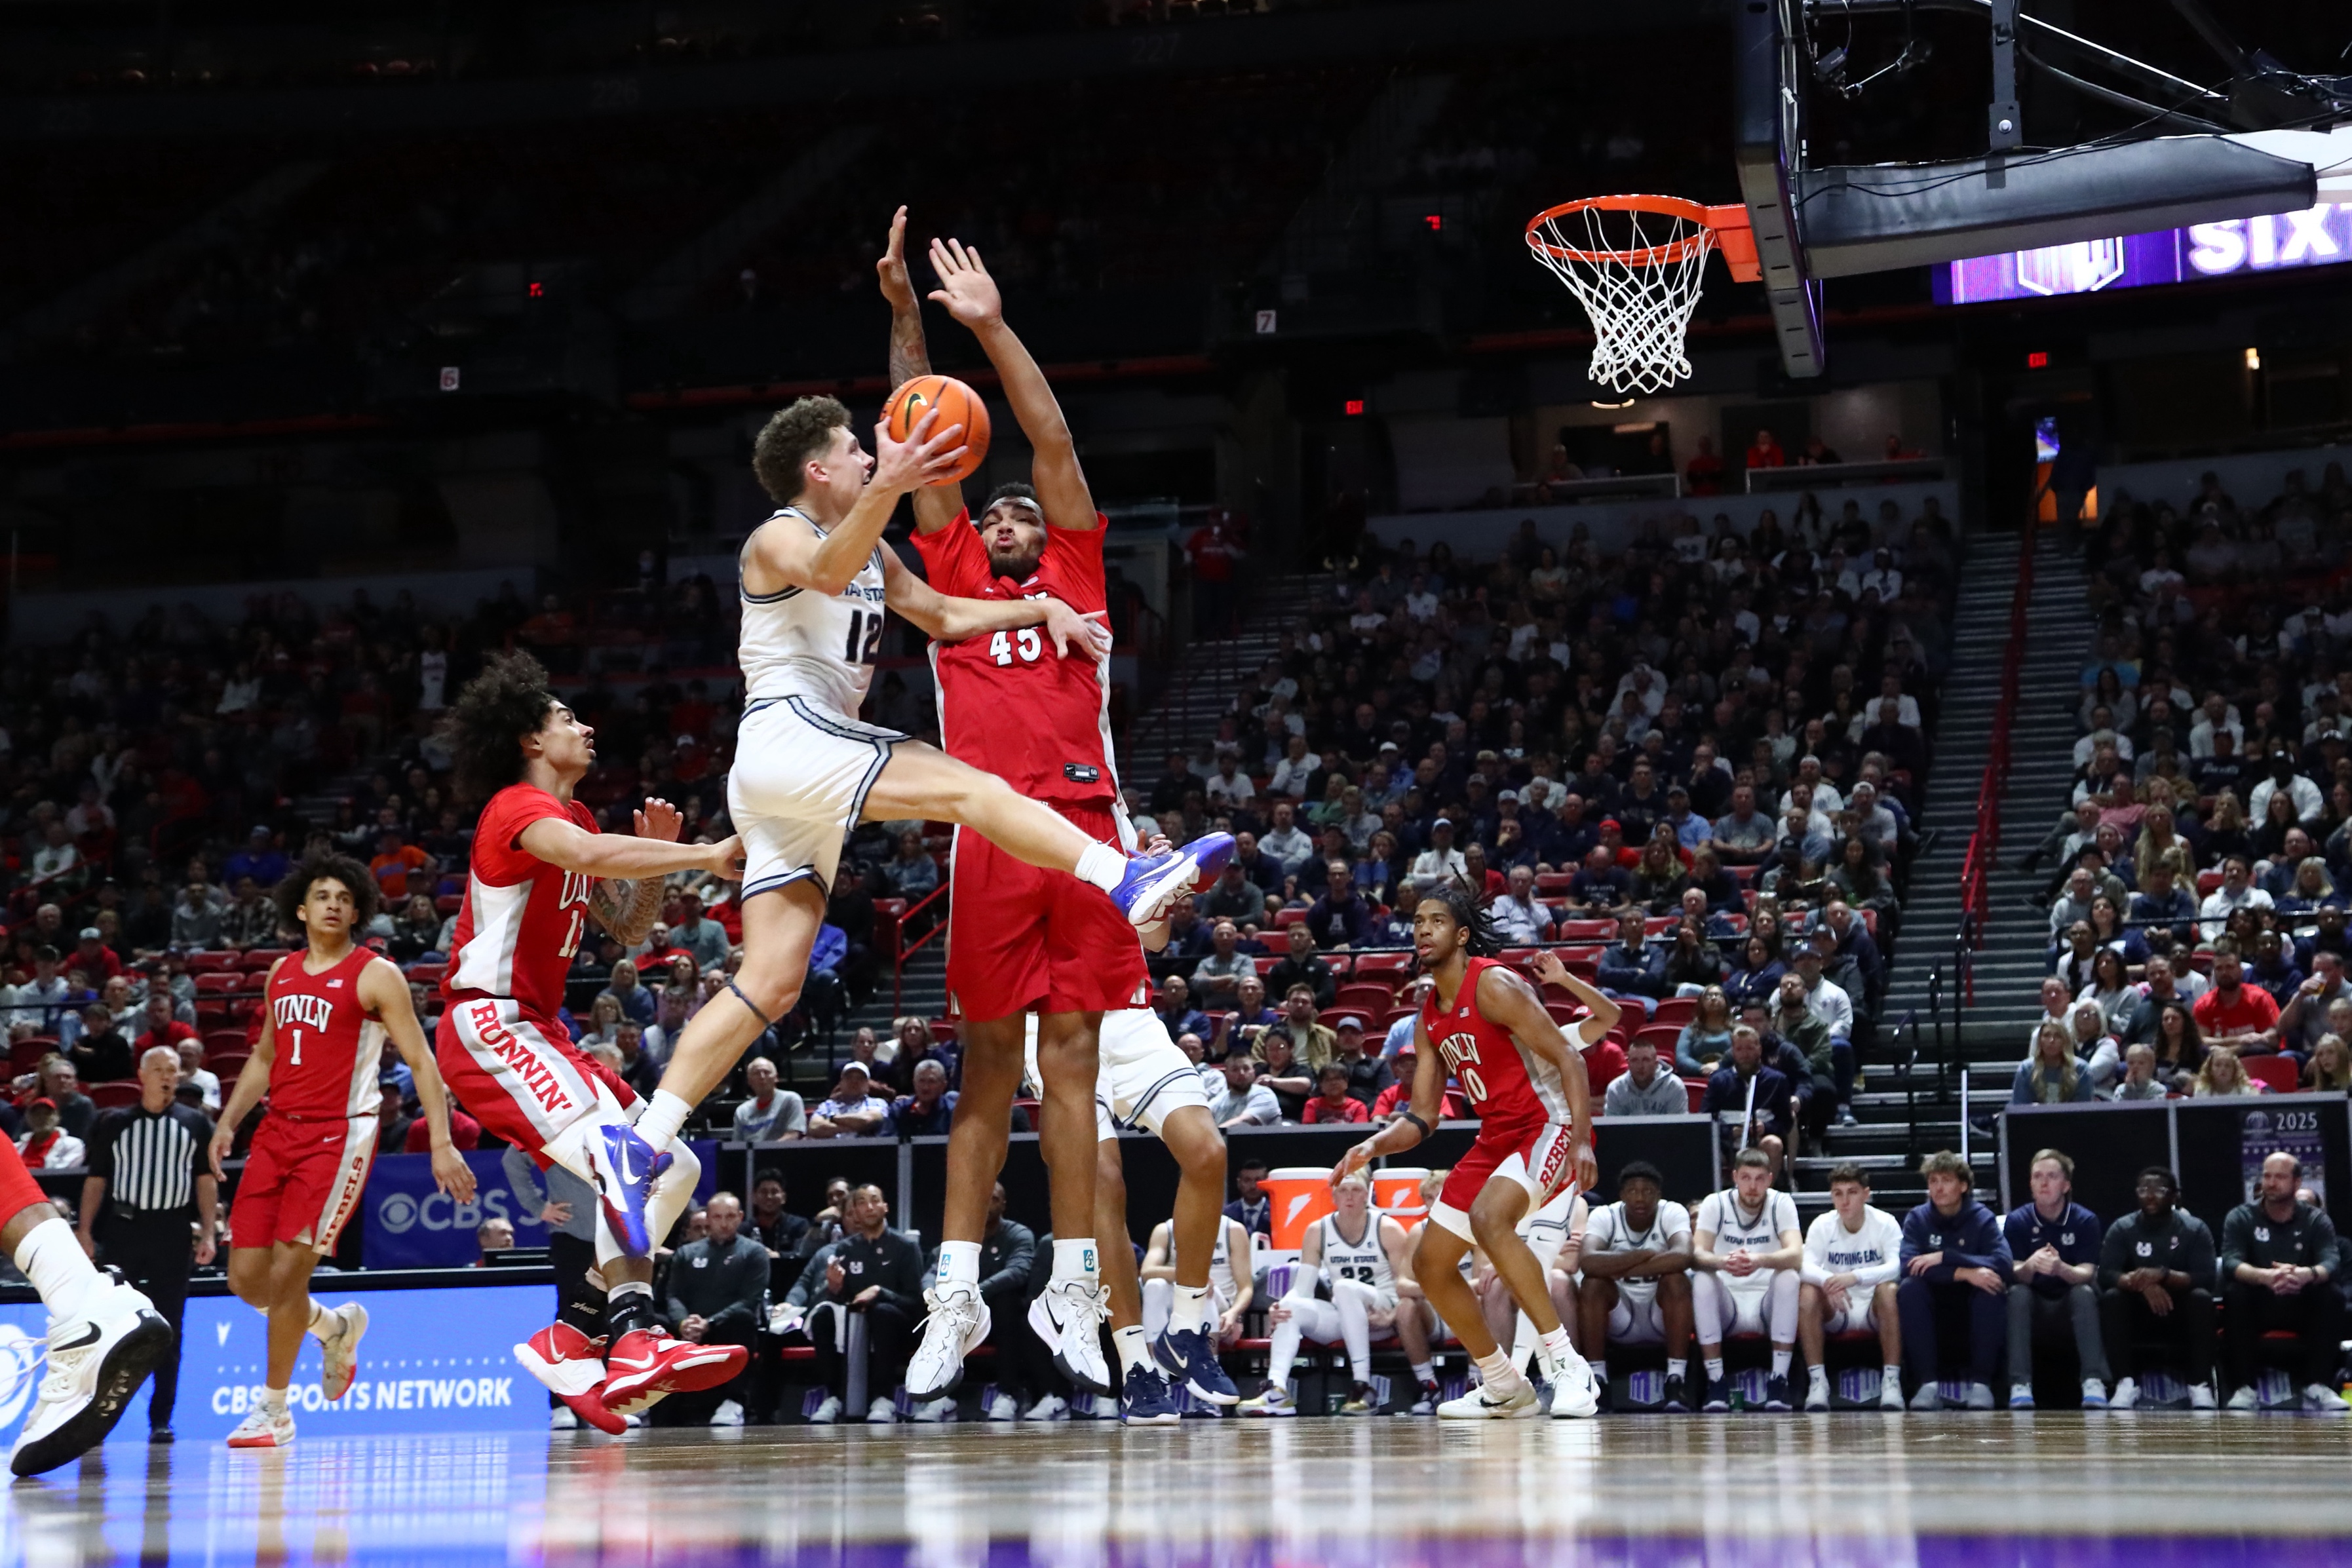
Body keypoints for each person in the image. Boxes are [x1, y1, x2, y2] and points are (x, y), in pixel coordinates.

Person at [858, 219, 1239, 1416]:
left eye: (1025, 512)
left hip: (1083, 840)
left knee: (1070, 1075)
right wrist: (911, 325)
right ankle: (955, 1290)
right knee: (985, 1075)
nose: (1012, 517)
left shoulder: (1078, 581)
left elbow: (1052, 434)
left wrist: (988, 322)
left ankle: (1076, 1284)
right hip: (987, 837)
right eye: (1000, 512)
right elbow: (919, 429)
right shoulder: (954, 570)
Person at [428, 658, 748, 1431]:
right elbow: (586, 858)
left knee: (674, 1163)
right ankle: (636, 1336)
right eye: (568, 717)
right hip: (490, 1023)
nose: (586, 726)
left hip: (541, 1030)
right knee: (620, 1156)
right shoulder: (518, 807)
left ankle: (571, 1331)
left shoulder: (582, 822)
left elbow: (628, 931)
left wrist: (655, 870)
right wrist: (702, 856)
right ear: (531, 737)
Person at [205, 854, 474, 1449]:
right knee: (246, 1281)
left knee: (286, 1274)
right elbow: (265, 1058)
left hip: (338, 1135)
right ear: (300, 910)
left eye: (343, 897)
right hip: (277, 1131)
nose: (332, 904)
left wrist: (441, 1139)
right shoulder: (281, 972)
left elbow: (421, 1061)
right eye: (321, 895)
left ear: (357, 910)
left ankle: (274, 1410)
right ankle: (336, 1326)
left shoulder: (376, 974)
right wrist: (229, 1120)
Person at [1329, 888, 1609, 1419]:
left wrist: (1578, 1137)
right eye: (1416, 921)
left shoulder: (1495, 983)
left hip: (1547, 1123)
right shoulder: (1427, 1018)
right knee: (1430, 1263)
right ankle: (1504, 1382)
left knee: (1488, 1218)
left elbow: (1569, 1057)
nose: (1423, 929)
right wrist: (1371, 1143)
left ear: (1460, 935)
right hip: (1497, 1134)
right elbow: (1422, 1119)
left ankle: (1567, 1365)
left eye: (1437, 920)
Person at [75, 1044, 216, 1444]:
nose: (167, 1076)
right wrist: (85, 1231)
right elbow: (96, 1179)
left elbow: (205, 1182)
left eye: (172, 1070)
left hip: (172, 1232)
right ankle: (97, 1413)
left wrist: (207, 1232)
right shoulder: (114, 1122)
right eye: (158, 1069)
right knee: (110, 1325)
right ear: (142, 1075)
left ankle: (161, 1418)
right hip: (124, 1230)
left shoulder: (195, 1124)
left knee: (170, 1326)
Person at [1241, 1168, 1433, 1416]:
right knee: (1290, 1308)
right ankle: (1276, 1391)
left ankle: (1363, 1387)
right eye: (1343, 1190)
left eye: (1356, 1190)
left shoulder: (1388, 1228)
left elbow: (1404, 1285)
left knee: (1343, 1287)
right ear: (1333, 1195)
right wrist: (1280, 1307)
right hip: (1347, 1315)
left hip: (1381, 1314)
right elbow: (1304, 1289)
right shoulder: (1317, 1230)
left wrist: (1393, 1316)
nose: (1349, 1196)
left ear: (1367, 1195)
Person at [2218, 1151, 2348, 1412]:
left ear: (2297, 1183)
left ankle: (2317, 1386)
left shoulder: (2316, 1219)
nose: (2271, 1182)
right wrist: (2264, 1276)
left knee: (2332, 1293)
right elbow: (2231, 1262)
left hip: (2300, 1301)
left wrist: (2306, 1274)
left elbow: (2331, 1262)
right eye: (2267, 1176)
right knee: (2235, 1293)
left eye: (2279, 1177)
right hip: (2260, 1301)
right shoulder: (2241, 1217)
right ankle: (2245, 1388)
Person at [1690, 1147, 1805, 1411]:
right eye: (1746, 1178)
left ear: (1770, 1179)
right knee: (1703, 1279)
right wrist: (1723, 1262)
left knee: (1789, 1277)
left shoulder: (1781, 1202)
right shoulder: (1715, 1203)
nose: (1753, 1186)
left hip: (1768, 1303)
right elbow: (1696, 1255)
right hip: (1727, 1303)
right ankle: (1716, 1381)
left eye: (1759, 1179)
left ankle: (1779, 1380)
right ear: (1734, 1177)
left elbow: (1796, 1255)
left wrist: (1758, 1260)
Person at [1575, 1161, 1695, 1412]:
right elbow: (1587, 1262)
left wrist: (1618, 1266)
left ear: (1659, 1195)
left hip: (1660, 1313)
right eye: (1633, 1191)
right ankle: (1599, 1381)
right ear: (1622, 1195)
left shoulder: (1672, 1212)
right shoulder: (1605, 1215)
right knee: (1592, 1284)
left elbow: (1683, 1255)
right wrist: (1646, 1254)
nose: (1640, 1198)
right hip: (1621, 1313)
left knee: (1677, 1280)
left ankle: (1676, 1380)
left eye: (1648, 1191)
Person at [1895, 1151, 2011, 1412]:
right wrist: (1962, 1272)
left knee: (1991, 1285)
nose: (1938, 1187)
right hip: (1933, 1299)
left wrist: (1946, 1257)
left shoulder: (1981, 1217)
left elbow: (2003, 1262)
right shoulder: (1918, 1217)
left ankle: (1982, 1384)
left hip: (1971, 1300)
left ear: (1963, 1186)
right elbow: (1908, 1266)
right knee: (1909, 1288)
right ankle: (1927, 1385)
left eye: (1946, 1180)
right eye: (1933, 1181)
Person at [2097, 1165, 2217, 1410]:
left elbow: (2206, 1277)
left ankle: (2199, 1385)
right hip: (2138, 1309)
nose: (2150, 1196)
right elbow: (2106, 1274)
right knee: (2112, 1297)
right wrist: (2141, 1284)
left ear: (2175, 1196)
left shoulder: (2194, 1229)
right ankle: (2125, 1383)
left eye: (2159, 1190)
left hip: (2180, 1308)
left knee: (2202, 1298)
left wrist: (2163, 1275)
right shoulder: (2123, 1228)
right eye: (2143, 1190)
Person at [2001, 1149, 2110, 1411]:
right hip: (2034, 1303)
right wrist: (2030, 1265)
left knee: (2083, 1292)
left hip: (2068, 1303)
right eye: (2037, 1176)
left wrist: (2061, 1268)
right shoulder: (2017, 1221)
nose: (2044, 1182)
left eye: (2052, 1176)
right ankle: (2020, 1383)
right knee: (2017, 1294)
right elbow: (2012, 1272)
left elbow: (2088, 1272)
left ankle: (2093, 1380)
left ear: (2066, 1185)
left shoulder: (2085, 1220)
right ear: (2030, 1183)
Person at [806, 1184, 925, 1425]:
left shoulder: (905, 1247)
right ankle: (833, 1397)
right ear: (854, 1213)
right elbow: (845, 1300)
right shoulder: (846, 1249)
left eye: (875, 1201)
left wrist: (880, 1293)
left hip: (900, 1324)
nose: (869, 1207)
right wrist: (835, 1288)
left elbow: (916, 1302)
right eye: (861, 1202)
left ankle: (884, 1398)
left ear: (885, 1207)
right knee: (823, 1316)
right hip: (858, 1323)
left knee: (881, 1312)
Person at [1797, 1162, 1905, 1412]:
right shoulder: (1822, 1225)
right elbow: (1804, 1266)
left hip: (1873, 1308)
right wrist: (1827, 1281)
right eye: (1838, 1193)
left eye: (1852, 1192)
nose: (1844, 1200)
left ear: (1866, 1194)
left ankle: (1891, 1382)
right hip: (1837, 1307)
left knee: (1889, 1290)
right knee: (1808, 1292)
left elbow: (1898, 1267)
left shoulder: (1885, 1223)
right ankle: (1817, 1382)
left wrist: (1855, 1277)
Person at [659, 1191, 769, 1427]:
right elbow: (673, 1295)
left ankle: (734, 1402)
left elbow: (750, 1299)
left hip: (725, 1328)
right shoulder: (686, 1253)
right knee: (652, 1323)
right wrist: (683, 1322)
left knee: (743, 1318)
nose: (724, 1223)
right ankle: (643, 1403)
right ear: (708, 1218)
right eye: (718, 1217)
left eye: (730, 1216)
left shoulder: (754, 1253)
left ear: (740, 1218)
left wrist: (710, 1322)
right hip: (688, 1329)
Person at [1603, 1036, 1689, 1117]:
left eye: (1646, 1060)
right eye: (1635, 1060)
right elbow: (1611, 1129)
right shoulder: (1616, 1089)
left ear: (1656, 1063)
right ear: (1628, 1064)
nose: (1640, 1066)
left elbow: (1679, 1129)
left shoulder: (1674, 1087)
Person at [731, 1056, 806, 1142]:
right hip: (751, 1154)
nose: (762, 1077)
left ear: (776, 1078)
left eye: (767, 1072)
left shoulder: (791, 1100)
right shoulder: (742, 1111)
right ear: (749, 1081)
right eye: (756, 1073)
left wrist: (766, 1151)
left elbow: (793, 1135)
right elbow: (737, 1144)